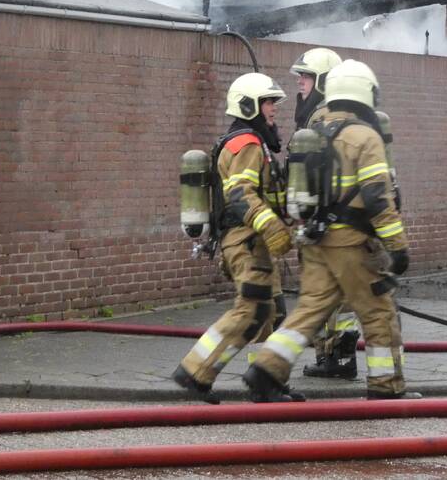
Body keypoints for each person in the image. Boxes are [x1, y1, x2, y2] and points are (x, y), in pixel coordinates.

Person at [243, 60, 415, 401]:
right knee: (378, 311)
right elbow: (378, 198)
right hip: (351, 244)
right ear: (365, 93)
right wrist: (398, 248)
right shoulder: (365, 137)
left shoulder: (313, 130)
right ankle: (387, 387)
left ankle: (265, 369)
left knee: (311, 308)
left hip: (315, 239)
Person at [172, 72, 294, 404]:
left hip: (255, 241)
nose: (274, 109)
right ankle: (195, 371)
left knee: (272, 313)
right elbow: (240, 193)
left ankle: (265, 381)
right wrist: (271, 226)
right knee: (251, 310)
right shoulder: (246, 144)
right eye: (269, 102)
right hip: (246, 241)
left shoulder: (254, 143)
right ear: (250, 105)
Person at [288, 48, 361, 380]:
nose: (300, 84)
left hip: (322, 221)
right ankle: (338, 356)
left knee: (322, 289)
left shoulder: (320, 118)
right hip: (335, 220)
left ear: (322, 81)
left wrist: (308, 214)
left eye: (305, 77)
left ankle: (333, 356)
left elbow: (314, 172)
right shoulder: (332, 114)